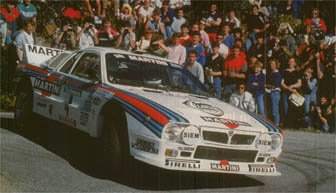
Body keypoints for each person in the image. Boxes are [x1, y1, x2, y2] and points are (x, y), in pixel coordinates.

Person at [281, 57, 302, 128]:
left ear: (295, 63)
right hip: (285, 92)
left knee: (294, 107)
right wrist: (288, 88)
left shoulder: (298, 72)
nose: (291, 63)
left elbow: (299, 83)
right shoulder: (284, 71)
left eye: (292, 62)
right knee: (285, 108)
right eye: (290, 61)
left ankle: (294, 124)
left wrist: (292, 87)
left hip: (294, 91)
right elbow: (282, 83)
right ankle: (287, 124)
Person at [265, 59, 282, 126]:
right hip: (269, 92)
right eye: (271, 64)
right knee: (270, 108)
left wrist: (266, 85)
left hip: (275, 93)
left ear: (276, 65)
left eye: (273, 64)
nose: (271, 65)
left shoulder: (278, 74)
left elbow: (275, 85)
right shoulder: (270, 73)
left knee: (275, 109)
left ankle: (276, 123)